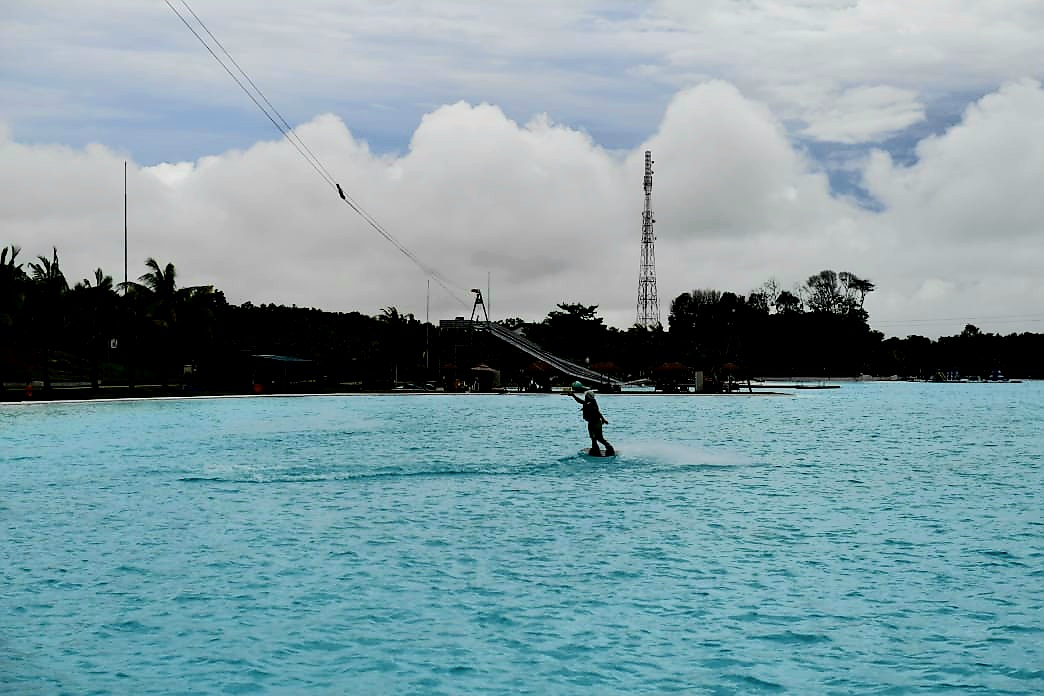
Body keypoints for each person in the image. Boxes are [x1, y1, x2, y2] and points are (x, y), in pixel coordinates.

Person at [569, 381, 614, 456]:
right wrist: (603, 419)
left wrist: (573, 396)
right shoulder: (593, 402)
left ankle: (596, 449)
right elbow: (597, 411)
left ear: (588, 397)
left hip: (594, 423)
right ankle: (609, 447)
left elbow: (581, 402)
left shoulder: (589, 403)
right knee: (599, 438)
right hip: (597, 422)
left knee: (594, 437)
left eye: (586, 396)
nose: (585, 396)